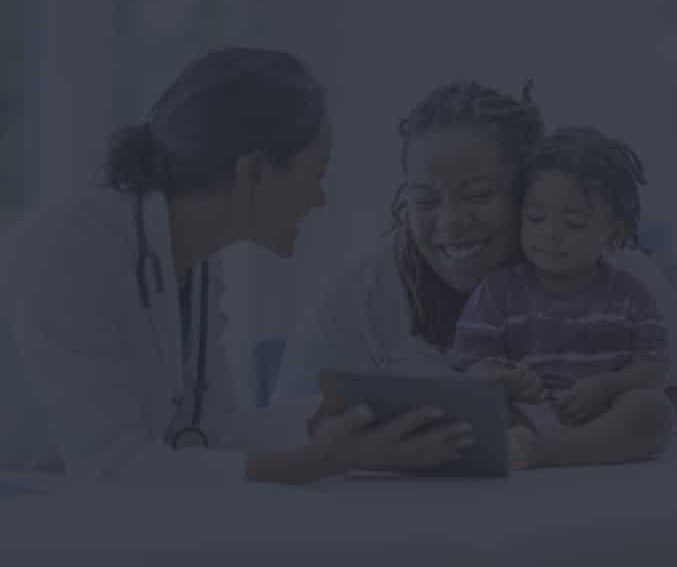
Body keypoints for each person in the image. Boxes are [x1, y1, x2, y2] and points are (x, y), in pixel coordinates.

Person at [2, 47, 473, 485]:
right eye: (317, 174)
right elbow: (111, 468)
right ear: (255, 172)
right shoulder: (70, 248)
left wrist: (372, 412)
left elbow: (212, 430)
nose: (320, 198)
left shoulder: (197, 263)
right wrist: (316, 462)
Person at [274, 80, 676, 467]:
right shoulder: (354, 296)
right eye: (425, 199)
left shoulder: (620, 271)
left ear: (527, 189)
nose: (450, 223)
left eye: (479, 195)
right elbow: (288, 428)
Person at [452, 126, 672, 468]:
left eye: (574, 223)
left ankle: (547, 453)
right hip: (524, 413)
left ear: (616, 234)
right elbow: (473, 366)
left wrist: (607, 387)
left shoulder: (631, 294)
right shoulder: (497, 292)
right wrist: (507, 380)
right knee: (471, 409)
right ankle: (532, 445)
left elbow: (654, 367)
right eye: (535, 218)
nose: (550, 235)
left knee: (654, 410)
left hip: (604, 415)